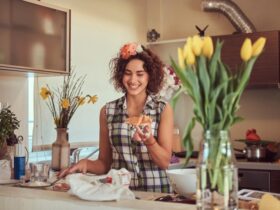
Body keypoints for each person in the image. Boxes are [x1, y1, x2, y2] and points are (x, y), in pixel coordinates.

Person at [59, 42, 174, 193]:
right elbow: (104, 164)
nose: (133, 80)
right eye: (128, 73)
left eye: (140, 74)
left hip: (156, 196)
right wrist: (84, 164)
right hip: (121, 194)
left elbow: (165, 162)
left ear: (149, 76)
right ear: (121, 75)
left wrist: (149, 140)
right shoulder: (107, 111)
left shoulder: (162, 109)